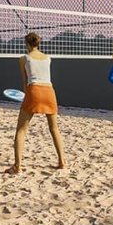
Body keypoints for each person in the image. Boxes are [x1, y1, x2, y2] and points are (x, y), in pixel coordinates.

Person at [9, 32, 66, 174]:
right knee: (54, 129)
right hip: (49, 91)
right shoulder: (48, 58)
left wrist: (25, 96)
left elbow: (24, 81)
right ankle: (62, 162)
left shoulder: (24, 58)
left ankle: (18, 166)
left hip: (34, 90)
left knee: (21, 130)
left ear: (27, 44)